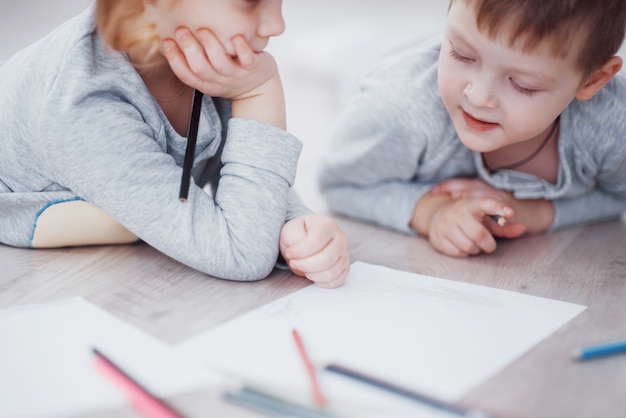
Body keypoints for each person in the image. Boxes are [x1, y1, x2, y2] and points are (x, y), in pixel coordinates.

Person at [0, 0, 350, 287]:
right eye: (250, 2)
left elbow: (248, 175)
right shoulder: (83, 104)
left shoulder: (206, 56)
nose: (276, 25)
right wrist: (260, 91)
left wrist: (298, 226)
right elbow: (243, 252)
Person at [319, 0, 626, 258]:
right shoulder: (399, 103)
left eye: (523, 85)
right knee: (347, 58)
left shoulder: (612, 124)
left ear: (593, 81)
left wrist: (537, 213)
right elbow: (341, 184)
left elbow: (619, 196)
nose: (477, 97)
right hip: (378, 59)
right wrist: (432, 212)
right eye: (462, 55)